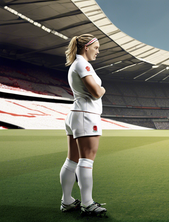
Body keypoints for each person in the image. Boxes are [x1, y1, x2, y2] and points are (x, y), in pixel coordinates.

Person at [59, 34, 107, 216]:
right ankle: (87, 203)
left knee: (71, 160)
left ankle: (67, 201)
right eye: (96, 48)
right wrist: (103, 89)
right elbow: (96, 92)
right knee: (86, 160)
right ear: (86, 47)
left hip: (76, 114)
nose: (98, 51)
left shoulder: (76, 64)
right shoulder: (83, 64)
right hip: (86, 115)